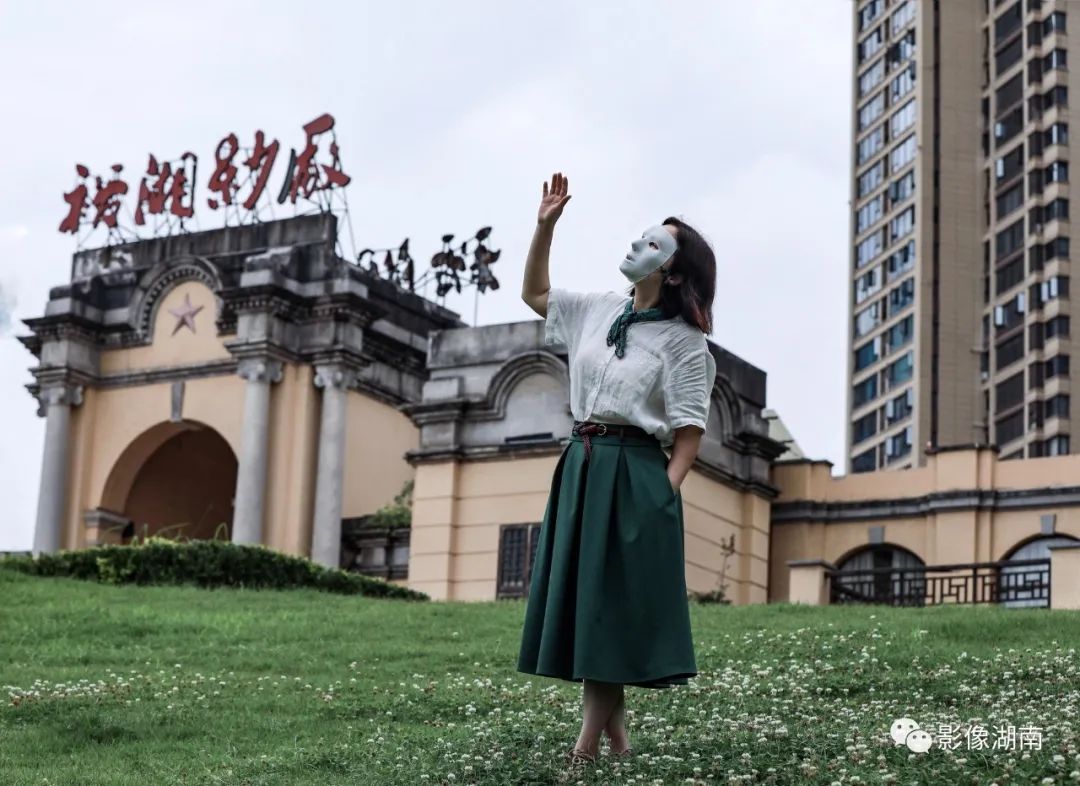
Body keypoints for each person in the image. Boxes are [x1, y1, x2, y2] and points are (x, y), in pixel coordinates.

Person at [516, 172, 718, 770]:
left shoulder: (686, 345)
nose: (637, 245)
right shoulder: (597, 309)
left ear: (673, 272)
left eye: (655, 244)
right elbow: (534, 293)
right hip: (581, 465)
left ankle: (583, 751)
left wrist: (660, 496)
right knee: (593, 609)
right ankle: (620, 743)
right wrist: (545, 227)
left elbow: (688, 433)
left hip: (635, 475)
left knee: (610, 612)